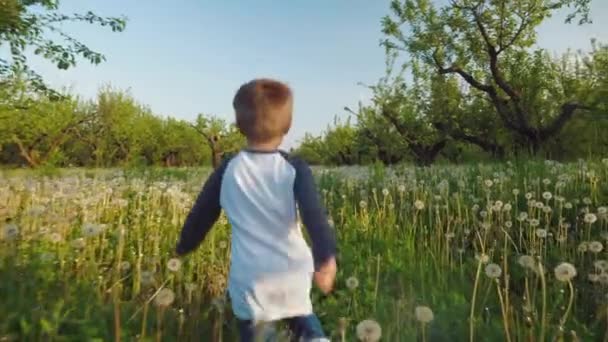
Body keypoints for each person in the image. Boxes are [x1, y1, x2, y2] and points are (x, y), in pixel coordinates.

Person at [175, 78, 337, 341]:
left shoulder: (227, 169)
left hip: (251, 281)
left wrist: (184, 245)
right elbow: (314, 216)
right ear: (288, 125)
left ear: (239, 125)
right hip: (292, 273)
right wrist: (326, 257)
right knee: (303, 320)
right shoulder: (294, 168)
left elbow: (202, 214)